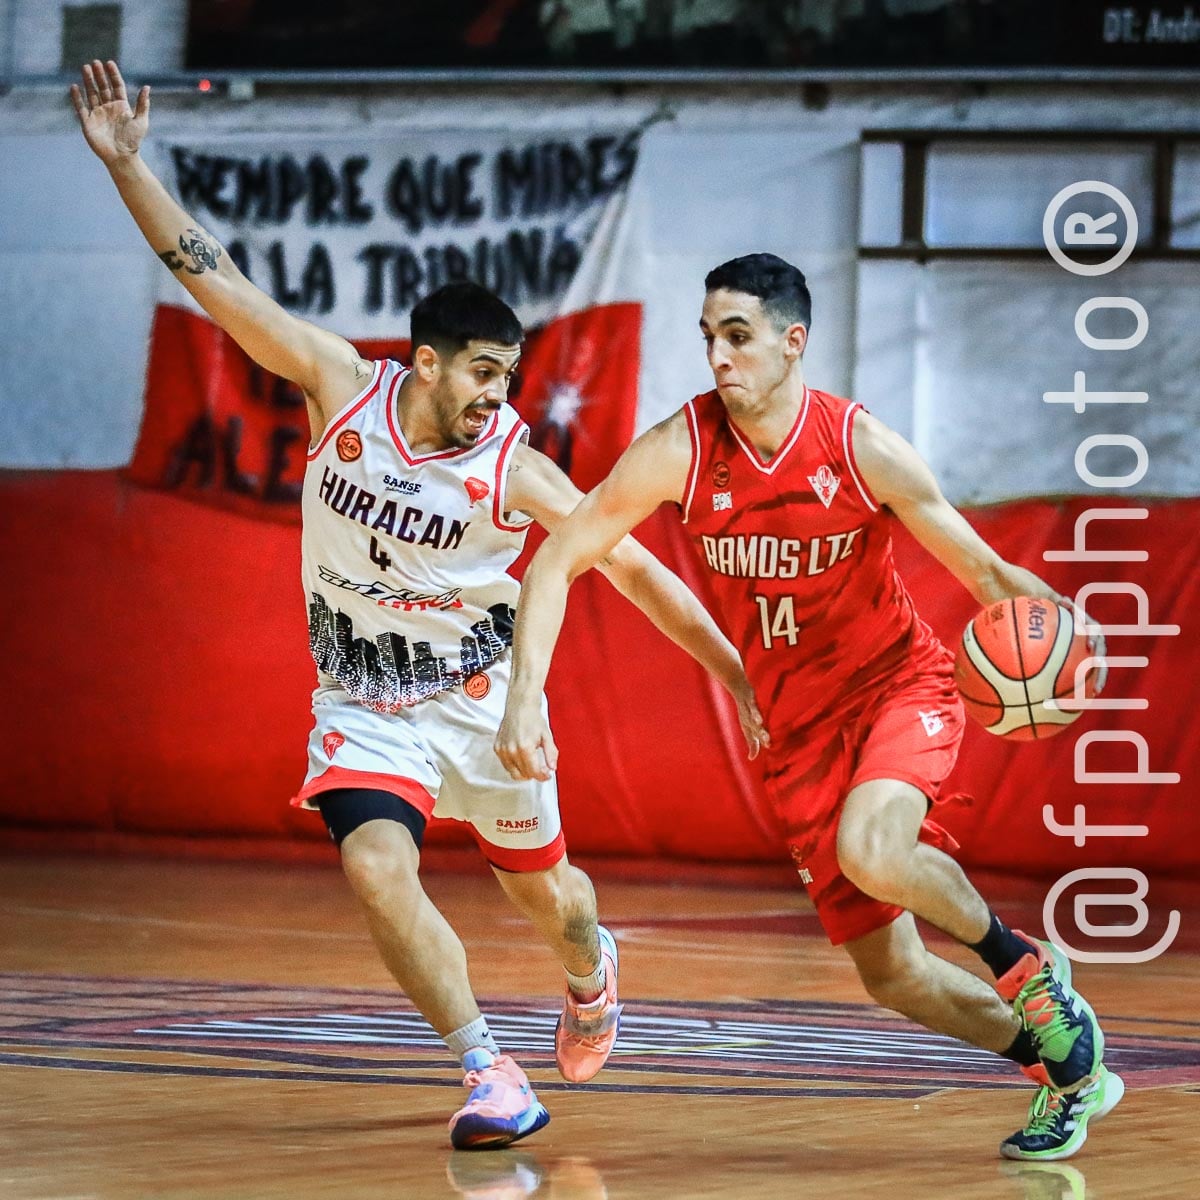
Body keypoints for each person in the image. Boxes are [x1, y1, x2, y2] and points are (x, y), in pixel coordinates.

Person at [71, 61, 766, 1150]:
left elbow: (635, 571)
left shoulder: (517, 468)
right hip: (365, 703)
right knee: (371, 863)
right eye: (484, 371)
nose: (501, 392)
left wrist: (735, 670)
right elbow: (212, 277)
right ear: (425, 362)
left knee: (557, 906)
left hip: (484, 709)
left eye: (513, 373)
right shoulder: (342, 386)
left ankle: (591, 974)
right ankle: (488, 1069)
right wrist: (127, 165)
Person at [496, 252, 1123, 1162]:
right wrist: (525, 697)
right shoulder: (682, 448)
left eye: (739, 336)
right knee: (895, 975)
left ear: (794, 343)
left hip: (896, 688)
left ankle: (1026, 971)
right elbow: (557, 557)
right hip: (794, 734)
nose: (719, 356)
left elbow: (987, 573)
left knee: (872, 850)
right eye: (709, 337)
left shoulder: (859, 445)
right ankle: (1069, 1071)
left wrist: (1068, 638)